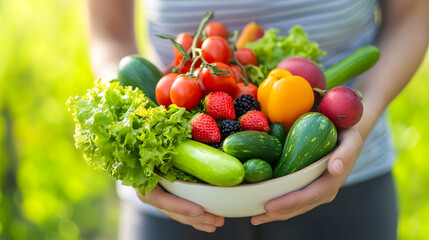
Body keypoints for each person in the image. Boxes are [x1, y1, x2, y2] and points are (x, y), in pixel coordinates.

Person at [87, 0, 429, 239]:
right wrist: (141, 157)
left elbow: (413, 16)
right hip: (174, 197)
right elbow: (109, 35)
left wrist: (358, 125)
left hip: (347, 174)